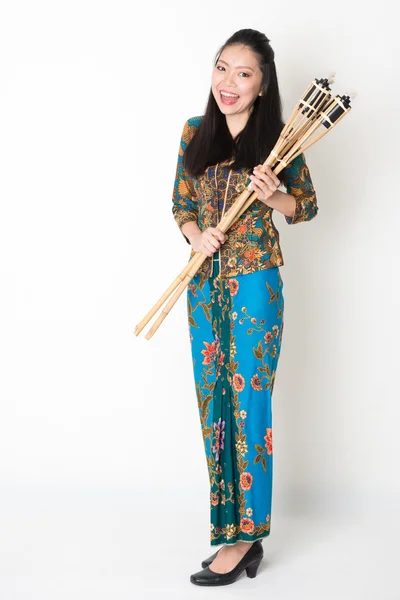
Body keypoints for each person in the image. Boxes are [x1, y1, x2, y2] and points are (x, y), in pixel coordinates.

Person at [171, 28, 318, 587]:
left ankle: (245, 537)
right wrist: (196, 236)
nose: (228, 82)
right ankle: (226, 528)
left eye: (244, 73)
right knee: (214, 407)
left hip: (256, 284)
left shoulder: (281, 139)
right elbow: (180, 206)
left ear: (262, 85)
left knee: (249, 404)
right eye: (222, 67)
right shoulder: (193, 132)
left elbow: (304, 207)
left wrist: (270, 191)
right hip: (203, 283)